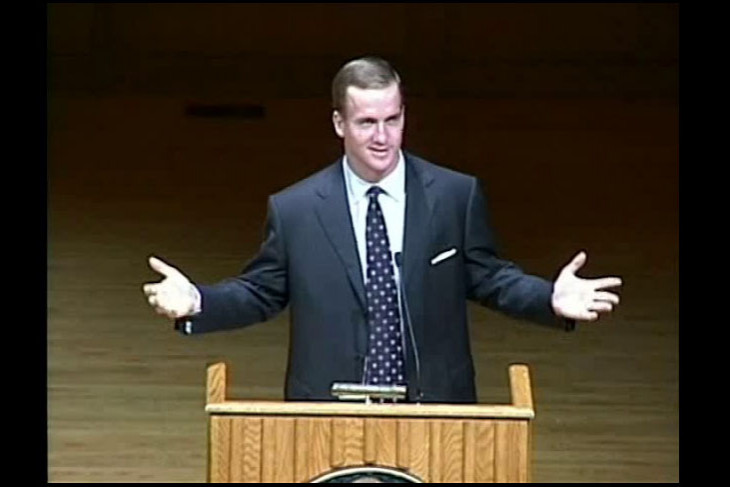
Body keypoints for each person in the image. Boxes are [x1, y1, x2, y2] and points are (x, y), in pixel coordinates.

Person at [143, 56, 621, 403]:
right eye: (367, 122)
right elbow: (261, 291)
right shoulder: (296, 210)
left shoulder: (455, 195)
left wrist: (548, 299)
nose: (382, 137)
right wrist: (199, 302)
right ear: (338, 123)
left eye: (393, 119)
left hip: (437, 411)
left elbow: (491, 277)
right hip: (327, 410)